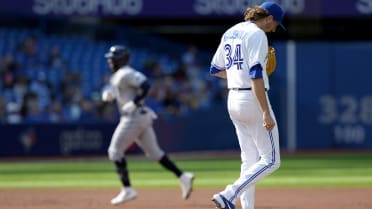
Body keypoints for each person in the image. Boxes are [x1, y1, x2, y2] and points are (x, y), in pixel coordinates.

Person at [209, 2, 285, 209]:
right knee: (271, 161)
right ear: (268, 18)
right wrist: (265, 112)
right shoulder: (258, 34)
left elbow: (215, 69)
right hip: (252, 99)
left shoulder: (230, 31)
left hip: (233, 99)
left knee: (249, 160)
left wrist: (236, 76)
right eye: (276, 23)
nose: (275, 28)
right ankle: (229, 194)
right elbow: (256, 75)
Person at [101, 45, 194, 205]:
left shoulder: (126, 72)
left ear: (119, 59)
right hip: (141, 116)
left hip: (134, 117)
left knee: (115, 151)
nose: (110, 60)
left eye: (112, 58)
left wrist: (135, 103)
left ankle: (127, 189)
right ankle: (183, 176)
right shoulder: (118, 75)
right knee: (155, 154)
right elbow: (125, 91)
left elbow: (145, 85)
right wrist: (112, 95)